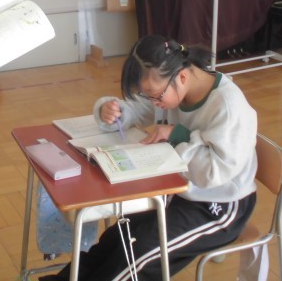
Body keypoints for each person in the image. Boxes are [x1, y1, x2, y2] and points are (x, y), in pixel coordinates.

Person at [41, 34, 258, 281]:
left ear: (182, 77)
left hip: (219, 205)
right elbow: (139, 107)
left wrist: (176, 135)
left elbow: (214, 172)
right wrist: (113, 111)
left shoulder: (228, 106)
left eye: (155, 95)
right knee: (118, 238)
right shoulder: (169, 86)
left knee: (140, 254)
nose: (154, 102)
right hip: (177, 191)